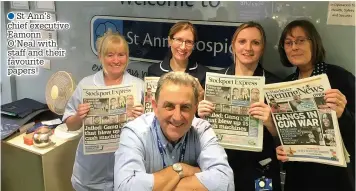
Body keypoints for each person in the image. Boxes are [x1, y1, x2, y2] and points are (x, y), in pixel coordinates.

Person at [114, 72, 234, 191]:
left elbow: (225, 183)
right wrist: (182, 170)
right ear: (155, 107)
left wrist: (160, 184)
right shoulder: (134, 132)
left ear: (195, 108)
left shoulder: (202, 130)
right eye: (169, 106)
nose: (177, 117)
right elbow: (125, 187)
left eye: (185, 107)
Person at [197, 21, 282, 191]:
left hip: (261, 168)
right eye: (242, 41)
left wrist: (270, 123)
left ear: (263, 48)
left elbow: (288, 142)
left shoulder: (275, 85)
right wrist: (199, 115)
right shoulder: (212, 80)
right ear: (233, 46)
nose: (248, 48)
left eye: (255, 43)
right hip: (221, 165)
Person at [276, 19, 355, 191]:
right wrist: (282, 148)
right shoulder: (285, 84)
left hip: (333, 178)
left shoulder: (340, 78)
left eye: (300, 40)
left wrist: (343, 115)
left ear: (314, 42)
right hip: (298, 176)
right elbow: (284, 133)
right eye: (288, 43)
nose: (294, 47)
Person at [62, 30, 145, 191]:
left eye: (121, 55)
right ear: (100, 57)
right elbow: (71, 126)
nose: (116, 60)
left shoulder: (139, 86)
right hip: (90, 174)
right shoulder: (86, 85)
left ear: (127, 57)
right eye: (110, 55)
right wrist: (79, 116)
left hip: (126, 173)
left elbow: (150, 131)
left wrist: (142, 117)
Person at [147, 21, 209, 102]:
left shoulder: (204, 74)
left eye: (189, 42)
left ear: (193, 45)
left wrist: (201, 98)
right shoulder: (154, 71)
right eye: (179, 40)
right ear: (170, 41)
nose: (183, 47)